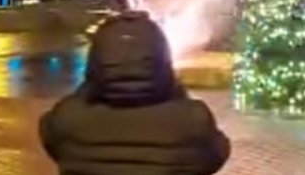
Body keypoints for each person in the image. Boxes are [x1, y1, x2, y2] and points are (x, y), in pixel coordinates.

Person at [39, 11, 230, 175]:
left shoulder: (67, 119)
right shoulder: (193, 120)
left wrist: (90, 87)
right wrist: (175, 91)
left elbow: (49, 137)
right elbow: (217, 154)